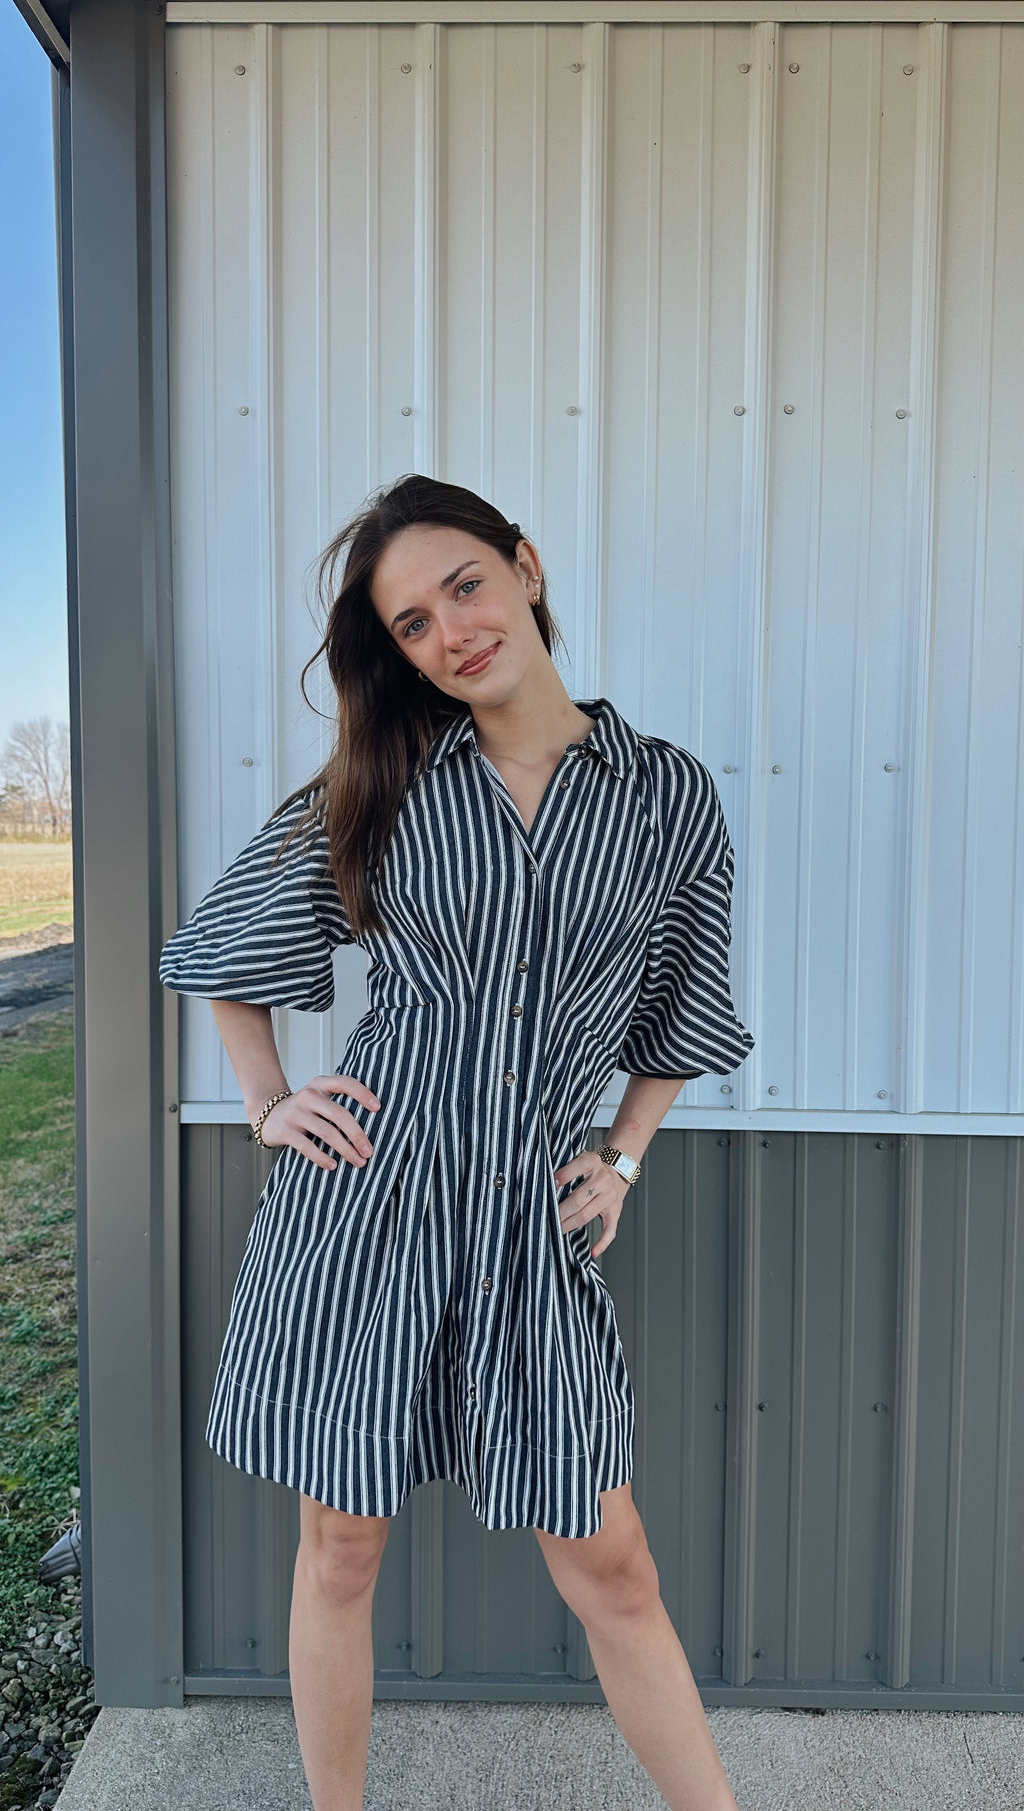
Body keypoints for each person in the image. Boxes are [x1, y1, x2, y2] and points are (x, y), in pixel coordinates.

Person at [159, 472, 755, 1811]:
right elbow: (227, 951)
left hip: (533, 1226)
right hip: (366, 1209)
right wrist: (268, 1103)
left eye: (464, 587)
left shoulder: (665, 798)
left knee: (614, 1566)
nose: (449, 631)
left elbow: (683, 1009)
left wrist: (624, 1155)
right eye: (414, 623)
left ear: (526, 568)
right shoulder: (385, 781)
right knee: (340, 1546)